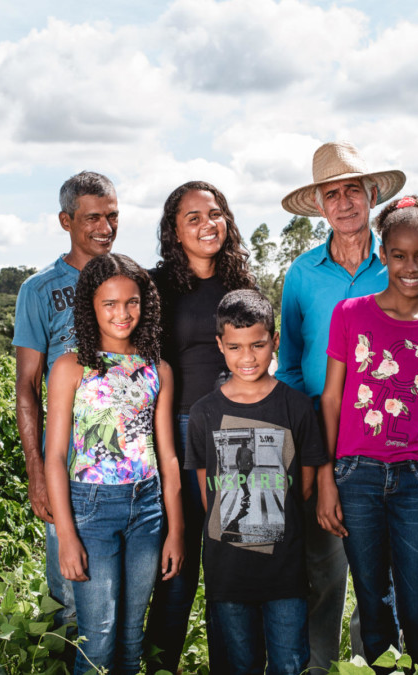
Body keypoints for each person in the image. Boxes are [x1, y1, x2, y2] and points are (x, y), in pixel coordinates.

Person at [278, 141, 418, 669]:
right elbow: (292, 368)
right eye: (331, 194)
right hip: (328, 447)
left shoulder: (398, 262)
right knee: (324, 577)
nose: (343, 203)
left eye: (352, 191)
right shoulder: (302, 275)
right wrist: (312, 453)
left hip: (393, 454)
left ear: (370, 196)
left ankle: (380, 667)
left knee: (383, 586)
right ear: (320, 206)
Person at [318, 196, 418, 668]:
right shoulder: (351, 314)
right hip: (356, 476)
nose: (410, 266)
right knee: (373, 604)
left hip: (414, 479)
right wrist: (326, 480)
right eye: (399, 254)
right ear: (383, 255)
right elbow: (333, 399)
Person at [43, 253, 185, 675]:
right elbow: (54, 458)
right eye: (110, 304)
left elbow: (168, 455)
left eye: (132, 302)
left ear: (146, 304)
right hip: (90, 509)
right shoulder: (71, 367)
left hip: (147, 510)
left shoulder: (157, 369)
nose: (123, 313)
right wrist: (66, 537)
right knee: (98, 639)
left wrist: (175, 531)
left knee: (131, 637)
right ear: (90, 306)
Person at [186, 290, 327, 675]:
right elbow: (207, 494)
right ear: (220, 345)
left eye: (258, 345)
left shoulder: (296, 407)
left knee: (289, 663)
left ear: (275, 341)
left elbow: (307, 487)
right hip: (227, 575)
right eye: (234, 346)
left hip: (285, 575)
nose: (247, 357)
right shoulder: (203, 413)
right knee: (237, 665)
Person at [146, 181, 256, 673]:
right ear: (174, 231)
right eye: (192, 217)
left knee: (234, 567)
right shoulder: (155, 286)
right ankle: (160, 665)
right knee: (179, 566)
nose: (207, 223)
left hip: (238, 432)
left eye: (215, 213)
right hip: (181, 428)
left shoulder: (242, 287)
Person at [13, 171, 120, 631]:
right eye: (92, 217)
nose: (105, 227)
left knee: (124, 604)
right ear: (66, 220)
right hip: (68, 467)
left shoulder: (129, 280)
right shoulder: (38, 291)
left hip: (129, 466)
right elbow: (26, 389)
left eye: (112, 216)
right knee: (72, 604)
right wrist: (36, 472)